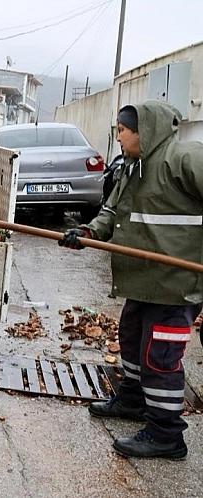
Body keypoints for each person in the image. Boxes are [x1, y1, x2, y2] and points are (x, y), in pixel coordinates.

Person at [59, 100, 203, 460]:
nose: (118, 136)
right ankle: (134, 400)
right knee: (132, 338)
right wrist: (87, 231)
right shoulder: (131, 168)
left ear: (144, 131)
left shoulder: (182, 159)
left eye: (122, 130)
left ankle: (166, 435)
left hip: (175, 284)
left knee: (160, 357)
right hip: (142, 281)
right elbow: (111, 212)